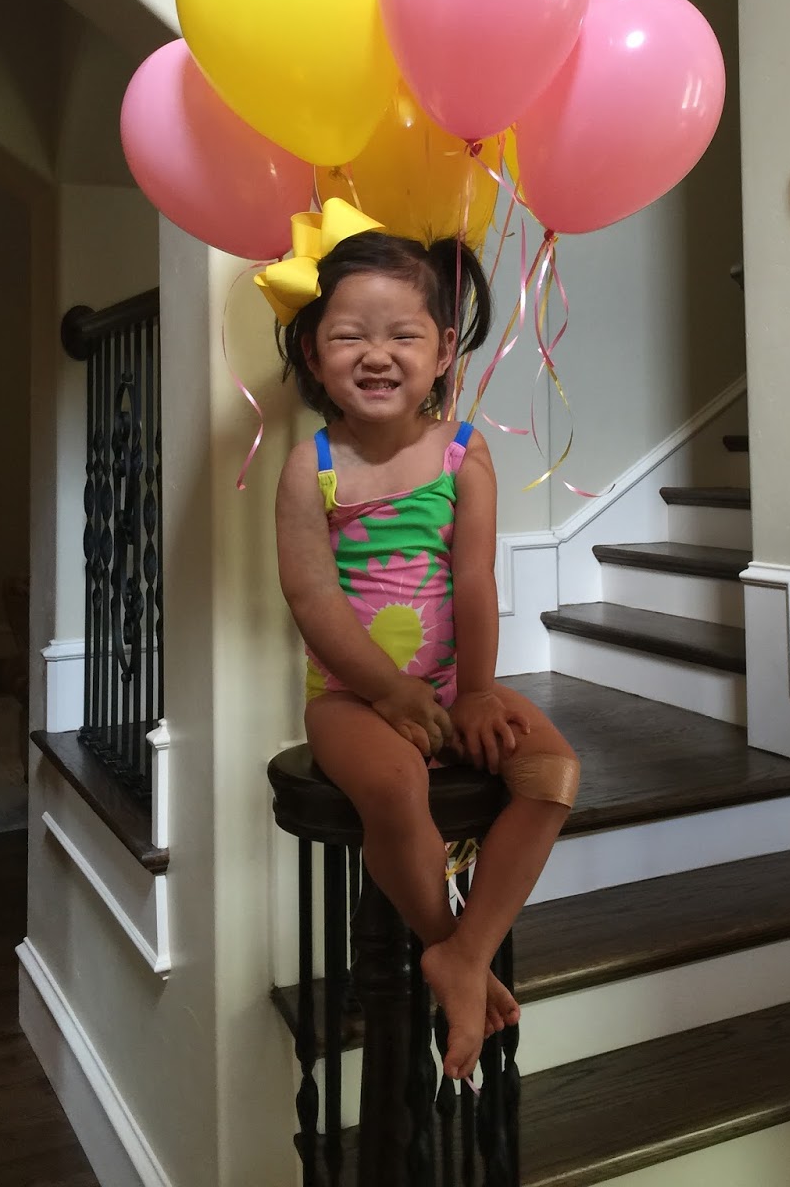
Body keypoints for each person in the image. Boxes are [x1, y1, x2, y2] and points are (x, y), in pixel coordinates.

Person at [269, 202, 580, 1083]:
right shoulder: (310, 467)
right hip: (351, 700)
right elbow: (311, 596)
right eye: (349, 336)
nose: (376, 354)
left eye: (402, 335)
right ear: (312, 354)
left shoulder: (463, 455)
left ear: (443, 351)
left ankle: (465, 953)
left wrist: (475, 690)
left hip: (453, 684)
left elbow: (475, 581)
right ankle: (446, 943)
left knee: (553, 774)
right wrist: (388, 691)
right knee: (397, 786)